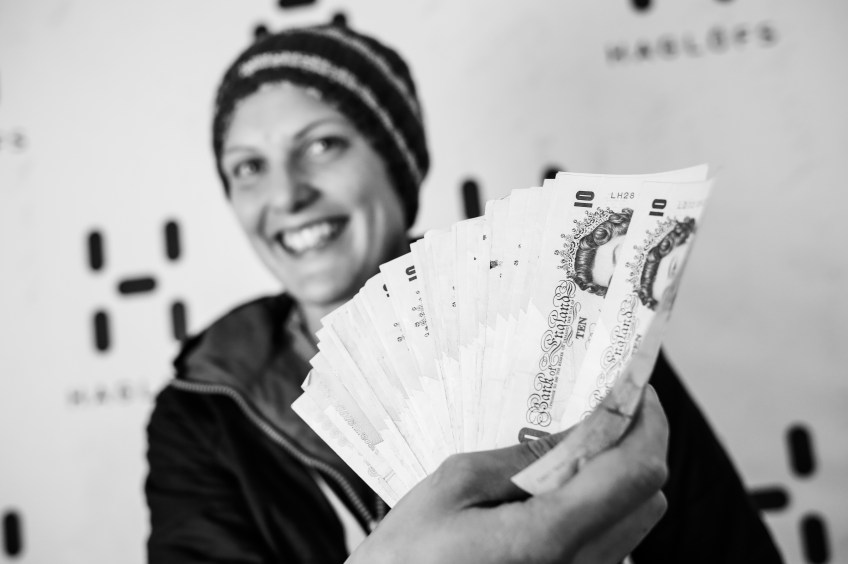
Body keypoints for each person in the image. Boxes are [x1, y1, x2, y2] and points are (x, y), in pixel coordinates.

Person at [145, 23, 784, 563]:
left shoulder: (577, 321)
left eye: (322, 145)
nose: (286, 194)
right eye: (248, 167)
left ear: (397, 164)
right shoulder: (203, 409)